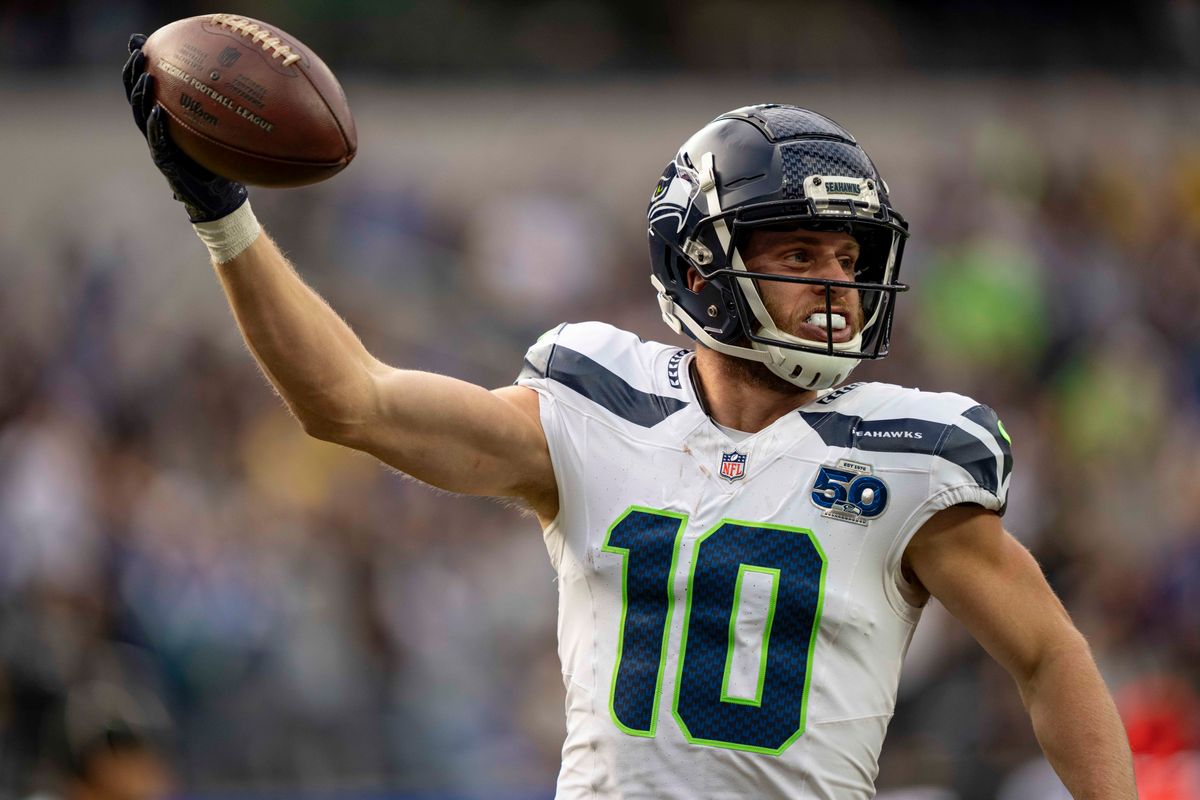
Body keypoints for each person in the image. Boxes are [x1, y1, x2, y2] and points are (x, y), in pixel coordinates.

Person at [121, 36, 1137, 799]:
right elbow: (350, 400)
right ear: (699, 265)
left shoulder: (912, 457)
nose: (835, 285)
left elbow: (1051, 654)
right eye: (799, 254)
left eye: (847, 259)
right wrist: (222, 214)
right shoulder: (590, 399)